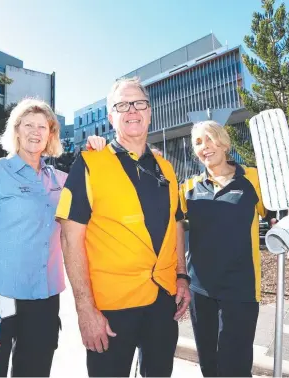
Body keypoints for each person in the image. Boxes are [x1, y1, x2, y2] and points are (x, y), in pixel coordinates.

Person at [56, 77, 191, 377]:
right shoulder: (90, 163)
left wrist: (181, 275)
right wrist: (85, 310)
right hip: (110, 309)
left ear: (150, 111)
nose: (132, 110)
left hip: (162, 301)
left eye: (139, 103)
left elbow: (176, 225)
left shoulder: (166, 168)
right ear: (110, 116)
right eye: (122, 105)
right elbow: (70, 237)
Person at [180, 121, 276, 377]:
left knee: (236, 367)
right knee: (209, 366)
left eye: (209, 139)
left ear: (224, 142)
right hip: (201, 290)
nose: (205, 147)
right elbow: (170, 228)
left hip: (241, 289)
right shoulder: (188, 188)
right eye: (198, 143)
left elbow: (276, 214)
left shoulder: (253, 178)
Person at [0, 99, 67, 377]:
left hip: (44, 298)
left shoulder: (61, 180)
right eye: (28, 124)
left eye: (43, 126)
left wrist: (98, 151)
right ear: (16, 130)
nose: (35, 131)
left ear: (51, 134)